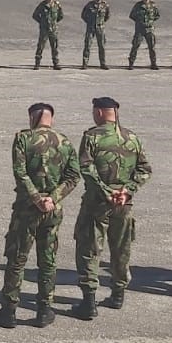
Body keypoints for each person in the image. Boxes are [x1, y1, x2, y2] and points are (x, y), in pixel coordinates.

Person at [0, 102, 79, 329]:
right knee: (47, 261)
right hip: (52, 211)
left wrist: (36, 198)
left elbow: (20, 172)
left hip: (26, 210)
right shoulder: (64, 141)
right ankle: (44, 310)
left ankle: (9, 310)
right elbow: (73, 176)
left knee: (17, 259)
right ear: (51, 118)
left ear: (32, 118)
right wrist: (53, 198)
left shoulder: (23, 139)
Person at [71, 96, 151, 319]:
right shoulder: (131, 137)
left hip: (97, 204)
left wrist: (107, 192)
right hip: (124, 204)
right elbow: (144, 169)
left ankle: (89, 302)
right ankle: (118, 295)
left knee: (89, 248)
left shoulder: (92, 137)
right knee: (121, 248)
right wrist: (127, 191)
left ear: (98, 112)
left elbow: (86, 168)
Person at [127, 0, 159, 70]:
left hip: (149, 29)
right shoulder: (138, 5)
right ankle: (131, 63)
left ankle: (153, 63)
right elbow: (132, 15)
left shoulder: (153, 5)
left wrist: (150, 22)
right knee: (135, 46)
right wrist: (139, 22)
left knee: (152, 47)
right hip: (140, 30)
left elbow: (157, 15)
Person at [31, 0, 63, 70]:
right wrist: (42, 22)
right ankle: (37, 64)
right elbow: (35, 15)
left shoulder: (56, 5)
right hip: (44, 30)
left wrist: (54, 23)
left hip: (53, 30)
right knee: (40, 46)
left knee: (55, 47)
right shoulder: (42, 5)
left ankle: (56, 64)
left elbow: (61, 16)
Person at [80, 0, 109, 70]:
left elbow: (107, 16)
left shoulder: (105, 5)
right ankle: (85, 63)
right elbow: (83, 15)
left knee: (102, 46)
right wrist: (89, 22)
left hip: (100, 28)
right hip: (91, 28)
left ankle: (103, 63)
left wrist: (101, 22)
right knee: (87, 45)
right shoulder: (89, 5)